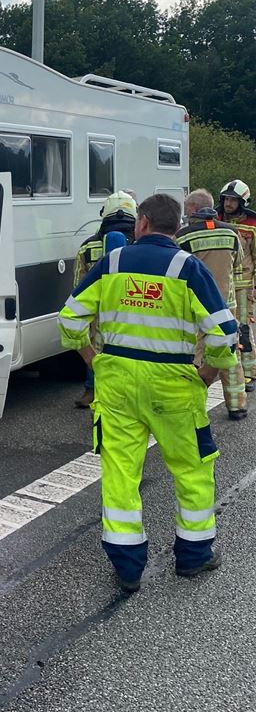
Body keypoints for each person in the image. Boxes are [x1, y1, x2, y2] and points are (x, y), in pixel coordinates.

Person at [58, 194, 238, 593]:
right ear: (176, 228)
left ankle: (127, 567)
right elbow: (224, 332)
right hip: (173, 385)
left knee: (121, 472)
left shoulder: (112, 263)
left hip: (117, 381)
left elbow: (70, 319)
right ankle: (193, 556)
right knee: (191, 469)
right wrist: (207, 373)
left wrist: (94, 360)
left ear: (141, 223)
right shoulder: (187, 267)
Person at [177, 189, 247, 419]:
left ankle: (192, 406)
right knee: (229, 353)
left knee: (197, 355)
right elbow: (237, 267)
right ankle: (237, 405)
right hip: (227, 304)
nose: (185, 214)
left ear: (195, 209)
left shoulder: (184, 236)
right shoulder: (232, 232)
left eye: (187, 210)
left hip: (198, 305)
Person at [72, 191, 137, 408]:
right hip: (135, 312)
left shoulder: (88, 247)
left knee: (97, 354)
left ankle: (94, 395)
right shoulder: (141, 246)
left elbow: (78, 287)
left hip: (99, 314)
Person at [216, 180, 256, 387]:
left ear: (242, 202)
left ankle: (249, 370)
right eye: (226, 199)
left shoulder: (252, 224)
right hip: (223, 284)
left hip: (243, 285)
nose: (228, 203)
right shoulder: (216, 220)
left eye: (233, 200)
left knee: (243, 328)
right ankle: (230, 365)